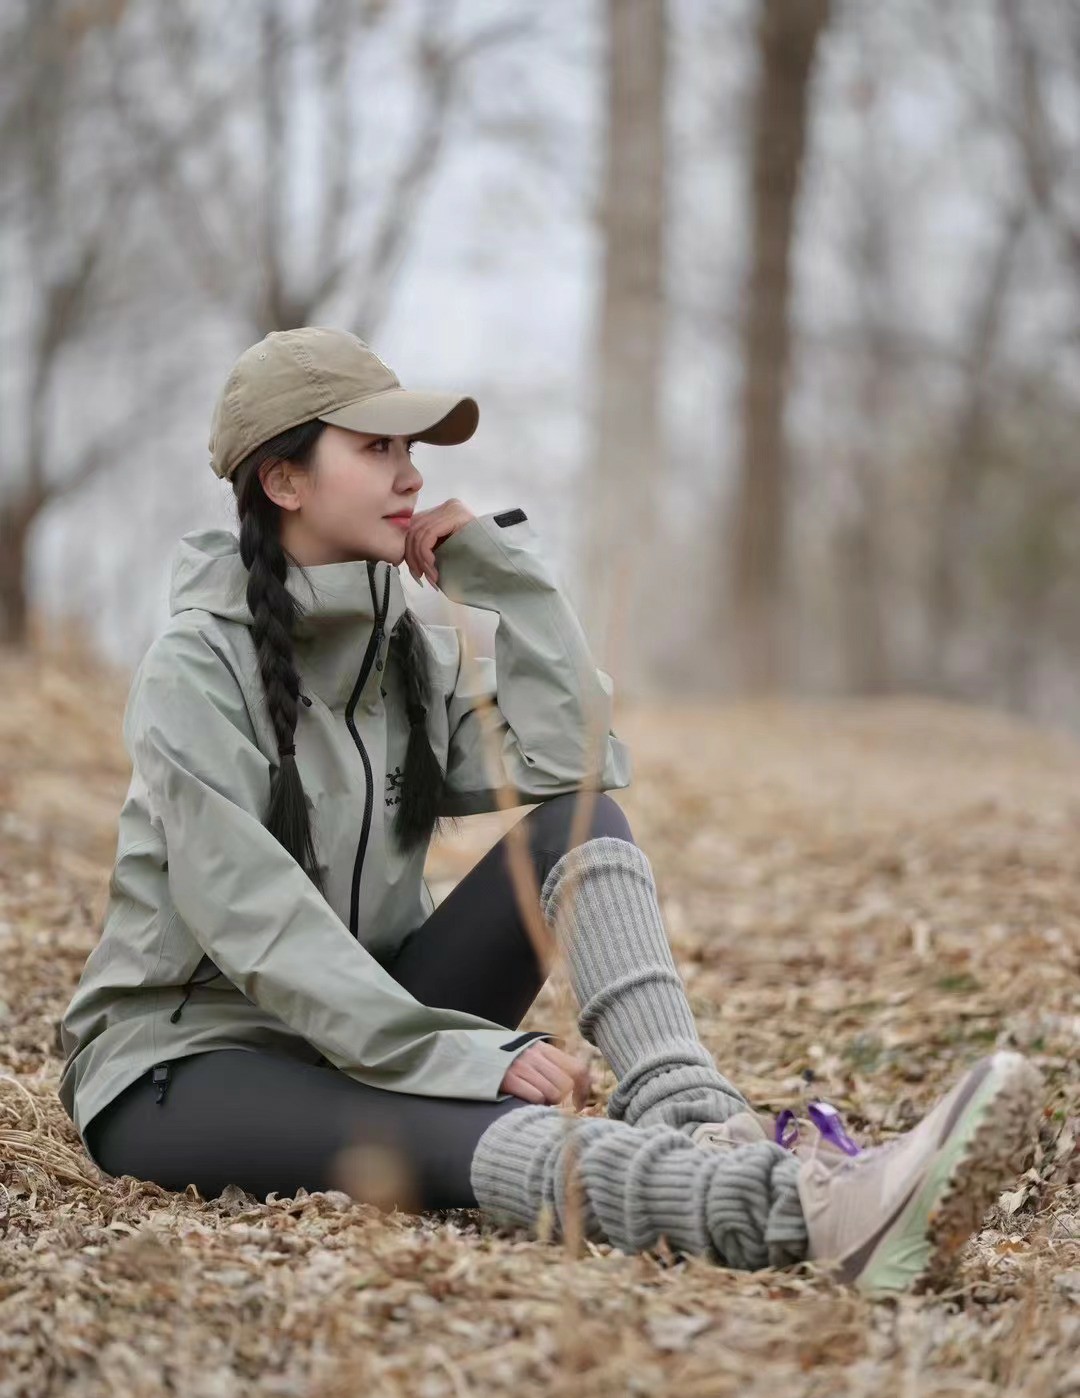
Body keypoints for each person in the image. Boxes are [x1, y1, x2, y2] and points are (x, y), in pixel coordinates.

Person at [57, 327, 1040, 1297]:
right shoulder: (196, 669)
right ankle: (811, 1215)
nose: (409, 476)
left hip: (358, 1025)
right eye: (375, 448)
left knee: (581, 826)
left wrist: (510, 584)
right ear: (284, 481)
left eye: (411, 449)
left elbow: (570, 761)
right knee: (461, 1133)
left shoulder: (390, 650)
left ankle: (697, 1120)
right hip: (189, 1067)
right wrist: (454, 1053)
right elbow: (254, 923)